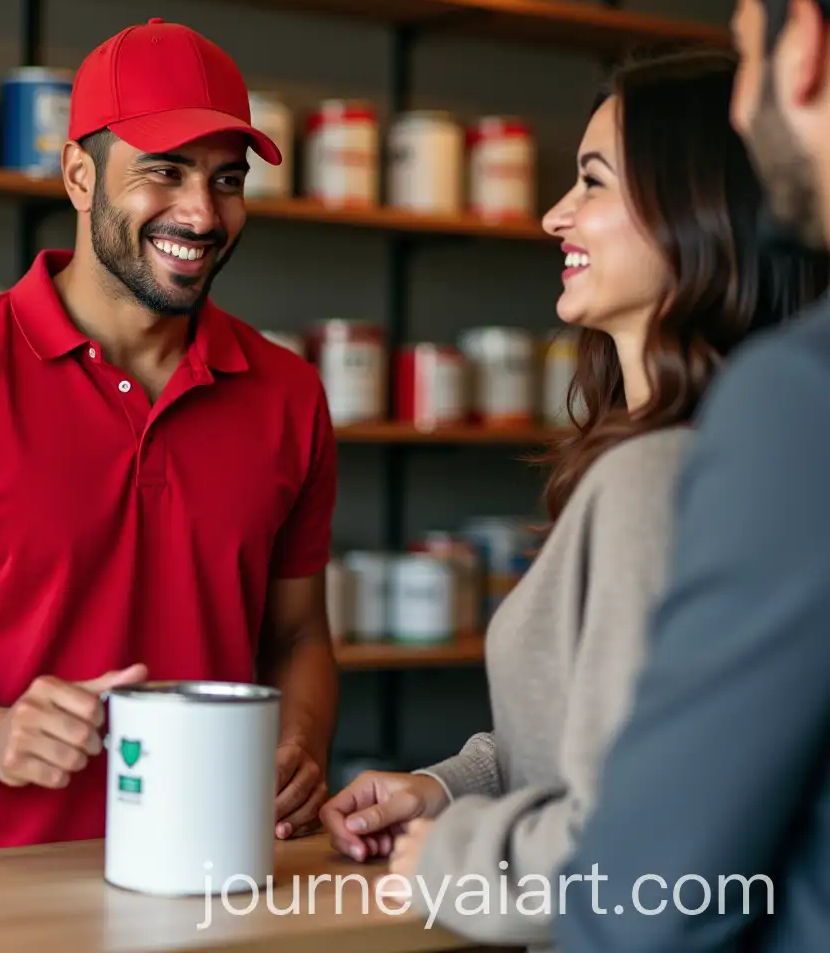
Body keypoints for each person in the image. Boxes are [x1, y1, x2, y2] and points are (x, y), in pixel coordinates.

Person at [319, 48, 830, 951]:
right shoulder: (683, 457)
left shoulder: (658, 477)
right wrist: (447, 787)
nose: (557, 214)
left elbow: (641, 845)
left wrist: (451, 856)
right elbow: (597, 737)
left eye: (592, 181)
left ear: (698, 211)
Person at [0, 19, 340, 858]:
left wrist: (302, 743)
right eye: (164, 173)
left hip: (214, 870)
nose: (201, 213)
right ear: (78, 174)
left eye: (228, 180)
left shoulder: (290, 396)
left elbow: (297, 637)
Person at [556, 0, 830, 950]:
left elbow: (647, 892)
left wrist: (458, 848)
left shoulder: (797, 401)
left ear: (800, 50)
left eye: (745, 51)